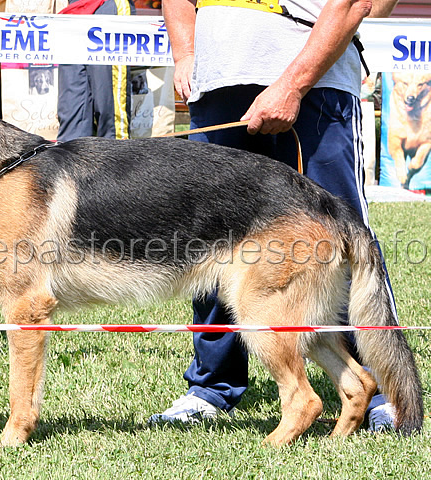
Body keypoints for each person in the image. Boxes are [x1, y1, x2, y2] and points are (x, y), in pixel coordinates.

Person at [150, 0, 399, 432]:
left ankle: (382, 388)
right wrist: (185, 52)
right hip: (220, 85)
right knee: (209, 244)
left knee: (338, 239)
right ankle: (212, 387)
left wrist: (293, 84)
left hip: (316, 84)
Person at [57, 0, 135, 142]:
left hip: (106, 6)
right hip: (72, 12)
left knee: (110, 113)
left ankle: (117, 162)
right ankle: (72, 162)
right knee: (71, 113)